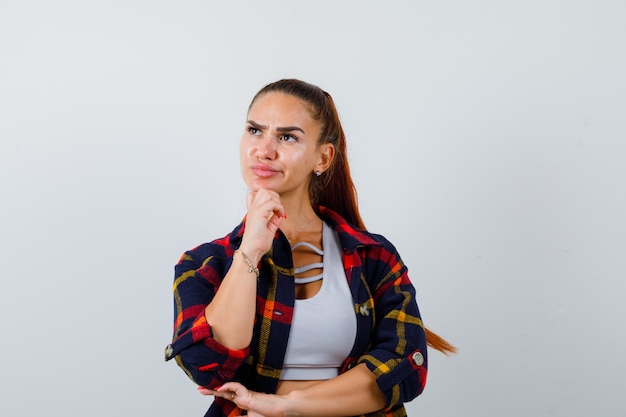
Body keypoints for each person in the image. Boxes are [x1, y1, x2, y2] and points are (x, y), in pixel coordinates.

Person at [164, 79, 455, 417]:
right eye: (255, 130)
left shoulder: (373, 256)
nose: (265, 149)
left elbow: (406, 367)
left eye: (287, 137)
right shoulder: (204, 263)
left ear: (323, 157)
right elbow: (209, 366)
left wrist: (285, 407)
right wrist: (251, 251)